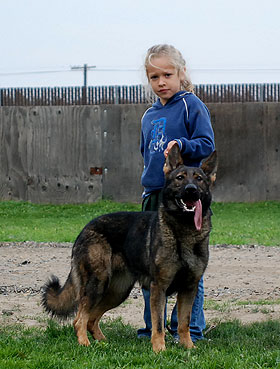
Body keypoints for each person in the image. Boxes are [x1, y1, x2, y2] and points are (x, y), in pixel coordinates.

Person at [137, 44, 215, 343]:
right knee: (150, 266)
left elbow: (206, 143)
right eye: (154, 77)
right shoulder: (149, 114)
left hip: (187, 197)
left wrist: (182, 145)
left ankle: (190, 329)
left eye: (168, 74)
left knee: (190, 265)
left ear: (182, 73)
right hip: (154, 197)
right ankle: (150, 330)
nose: (162, 82)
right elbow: (145, 153)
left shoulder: (191, 105)